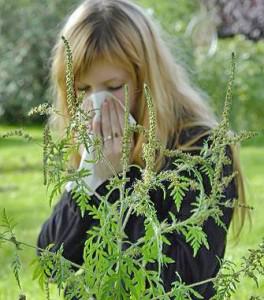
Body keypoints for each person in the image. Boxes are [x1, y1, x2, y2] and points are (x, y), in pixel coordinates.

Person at [36, 0, 249, 298]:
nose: (97, 106)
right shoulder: (94, 148)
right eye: (83, 90)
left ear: (147, 79)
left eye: (113, 86)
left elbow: (183, 278)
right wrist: (90, 178)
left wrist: (119, 187)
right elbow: (52, 262)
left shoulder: (202, 147)